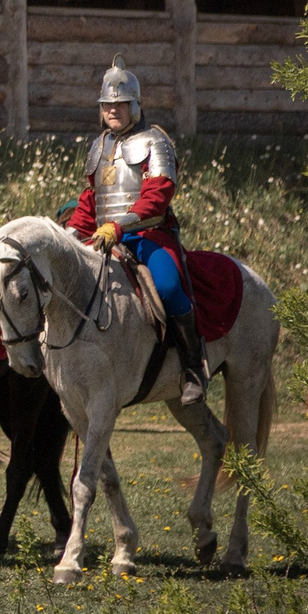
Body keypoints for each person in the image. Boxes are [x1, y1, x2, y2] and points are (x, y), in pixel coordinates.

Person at [64, 54, 208, 404]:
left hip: (147, 236)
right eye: (108, 105)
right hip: (103, 237)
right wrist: (69, 235)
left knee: (169, 286)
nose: (114, 110)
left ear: (135, 105)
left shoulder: (155, 141)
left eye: (121, 104)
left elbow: (157, 196)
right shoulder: (99, 145)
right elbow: (90, 199)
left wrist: (118, 225)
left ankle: (192, 369)